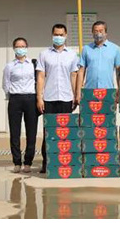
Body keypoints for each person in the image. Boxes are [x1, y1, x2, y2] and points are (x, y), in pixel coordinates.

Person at [37, 24, 80, 173]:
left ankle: (64, 162)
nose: (58, 37)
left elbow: (74, 76)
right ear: (52, 35)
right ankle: (47, 163)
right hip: (49, 98)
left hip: (66, 98)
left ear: (66, 35)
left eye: (61, 34)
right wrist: (39, 97)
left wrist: (75, 95)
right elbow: (41, 76)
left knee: (65, 132)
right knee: (48, 132)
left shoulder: (72, 55)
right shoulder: (44, 54)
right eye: (56, 34)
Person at [2, 37, 38, 174]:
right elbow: (6, 83)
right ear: (14, 48)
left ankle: (28, 162)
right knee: (15, 132)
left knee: (31, 132)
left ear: (27, 47)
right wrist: (10, 95)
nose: (20, 49)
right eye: (18, 46)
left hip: (30, 98)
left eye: (23, 46)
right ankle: (17, 162)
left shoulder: (33, 65)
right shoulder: (9, 66)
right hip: (15, 99)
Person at [75, 21, 120, 102]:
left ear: (106, 33)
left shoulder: (115, 49)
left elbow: (119, 71)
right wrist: (78, 93)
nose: (98, 33)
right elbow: (81, 71)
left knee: (108, 111)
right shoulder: (86, 49)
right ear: (92, 33)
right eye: (96, 31)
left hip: (108, 91)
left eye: (101, 31)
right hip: (89, 91)